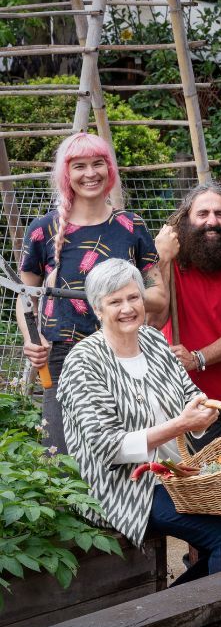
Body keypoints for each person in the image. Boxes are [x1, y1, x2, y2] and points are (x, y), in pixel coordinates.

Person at [57, 258, 221, 585]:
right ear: (97, 309)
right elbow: (107, 447)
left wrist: (201, 411)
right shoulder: (85, 362)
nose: (127, 308)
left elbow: (187, 392)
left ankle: (172, 612)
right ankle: (210, 622)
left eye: (133, 297)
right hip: (124, 488)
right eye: (115, 302)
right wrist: (180, 425)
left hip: (173, 476)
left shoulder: (153, 342)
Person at [17, 132, 170, 454]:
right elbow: (24, 294)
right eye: (80, 166)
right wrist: (31, 338)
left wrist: (121, 300)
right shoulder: (42, 230)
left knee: (126, 452)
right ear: (66, 174)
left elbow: (159, 295)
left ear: (109, 169)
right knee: (61, 456)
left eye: (98, 164)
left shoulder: (131, 225)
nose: (90, 174)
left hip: (124, 353)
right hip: (62, 356)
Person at [152, 182, 221, 449]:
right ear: (186, 221)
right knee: (194, 481)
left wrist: (197, 358)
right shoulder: (171, 263)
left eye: (219, 214)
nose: (212, 221)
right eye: (203, 214)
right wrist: (164, 260)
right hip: (182, 394)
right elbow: (155, 321)